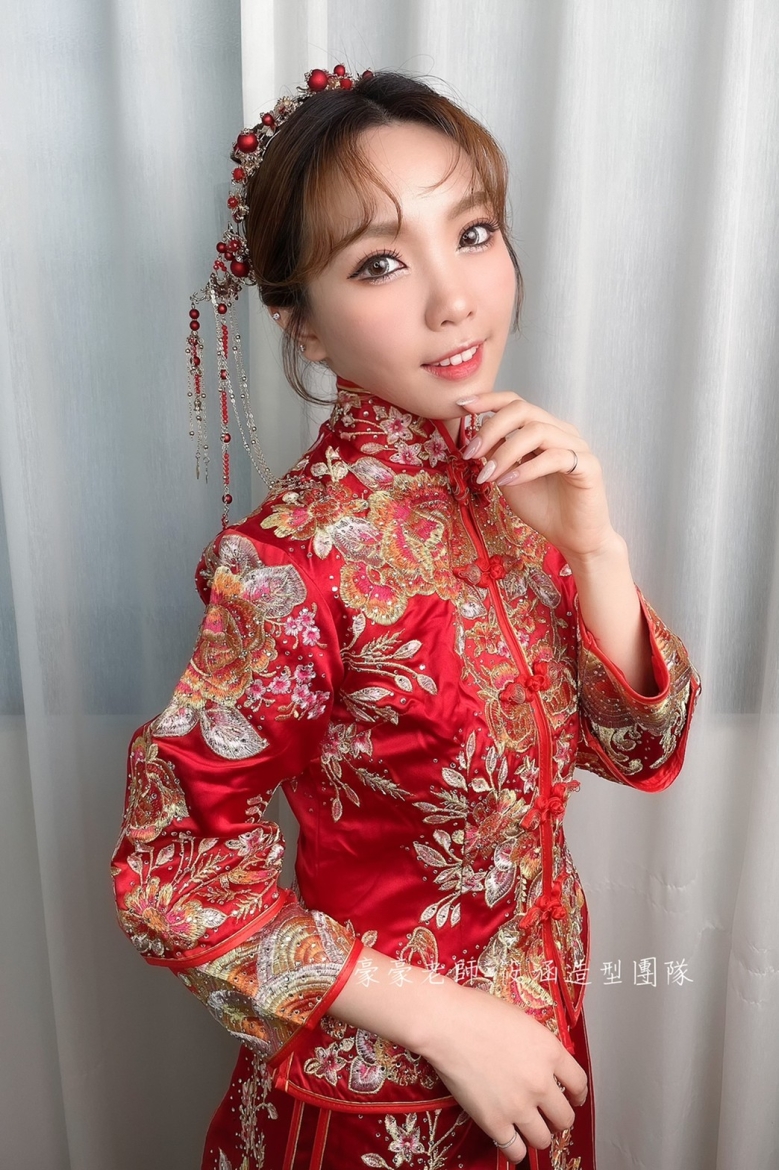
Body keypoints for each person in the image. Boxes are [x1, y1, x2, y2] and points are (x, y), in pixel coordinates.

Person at [110, 66, 701, 1170]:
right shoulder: (293, 564)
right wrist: (445, 1019)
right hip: (380, 1107)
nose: (454, 300)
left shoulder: (515, 487)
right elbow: (171, 875)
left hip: (542, 1055)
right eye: (379, 262)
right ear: (302, 325)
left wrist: (595, 547)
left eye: (471, 234)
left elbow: (641, 749)